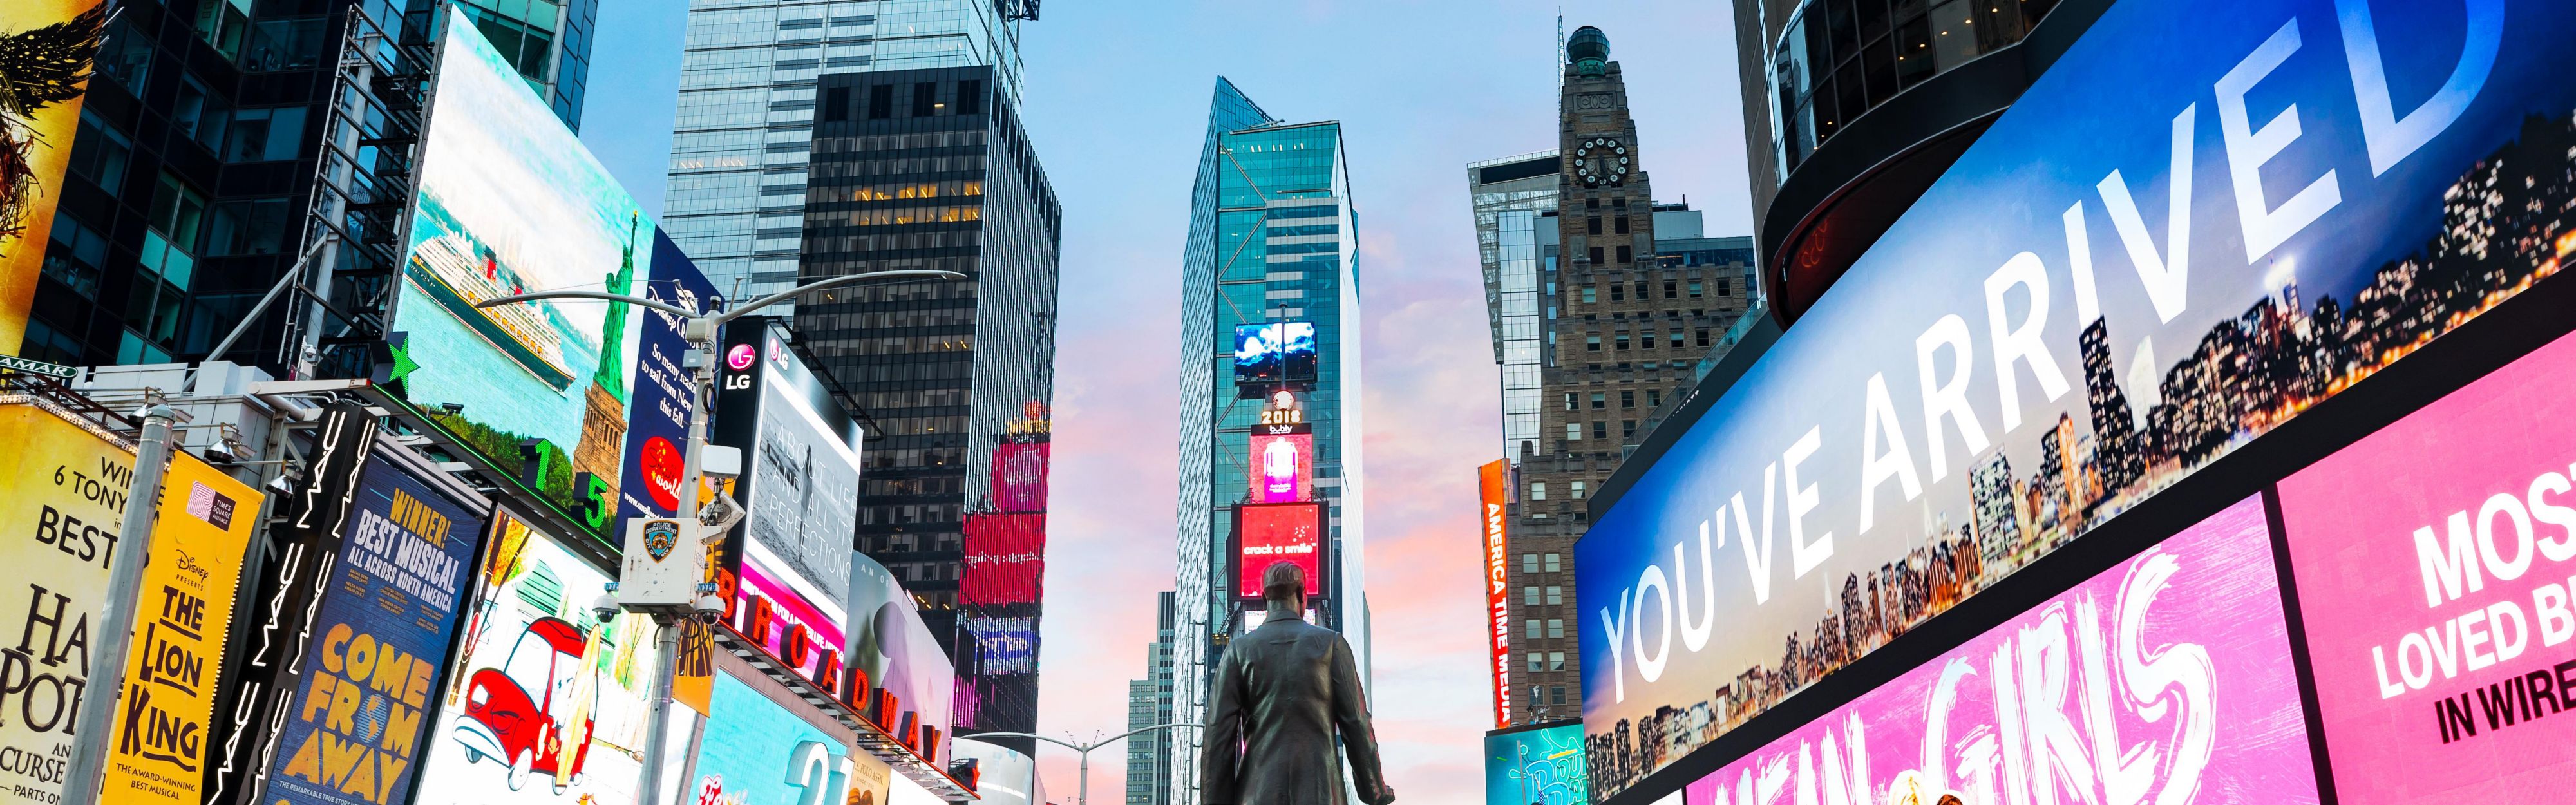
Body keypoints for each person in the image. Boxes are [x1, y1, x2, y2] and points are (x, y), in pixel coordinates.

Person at [1201, 562, 1396, 805]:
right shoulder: (1331, 645)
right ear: (1302, 594)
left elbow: (1218, 735)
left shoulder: (1238, 652)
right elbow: (1356, 722)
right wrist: (1374, 789)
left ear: (1264, 598)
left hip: (1257, 794)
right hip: (1321, 793)